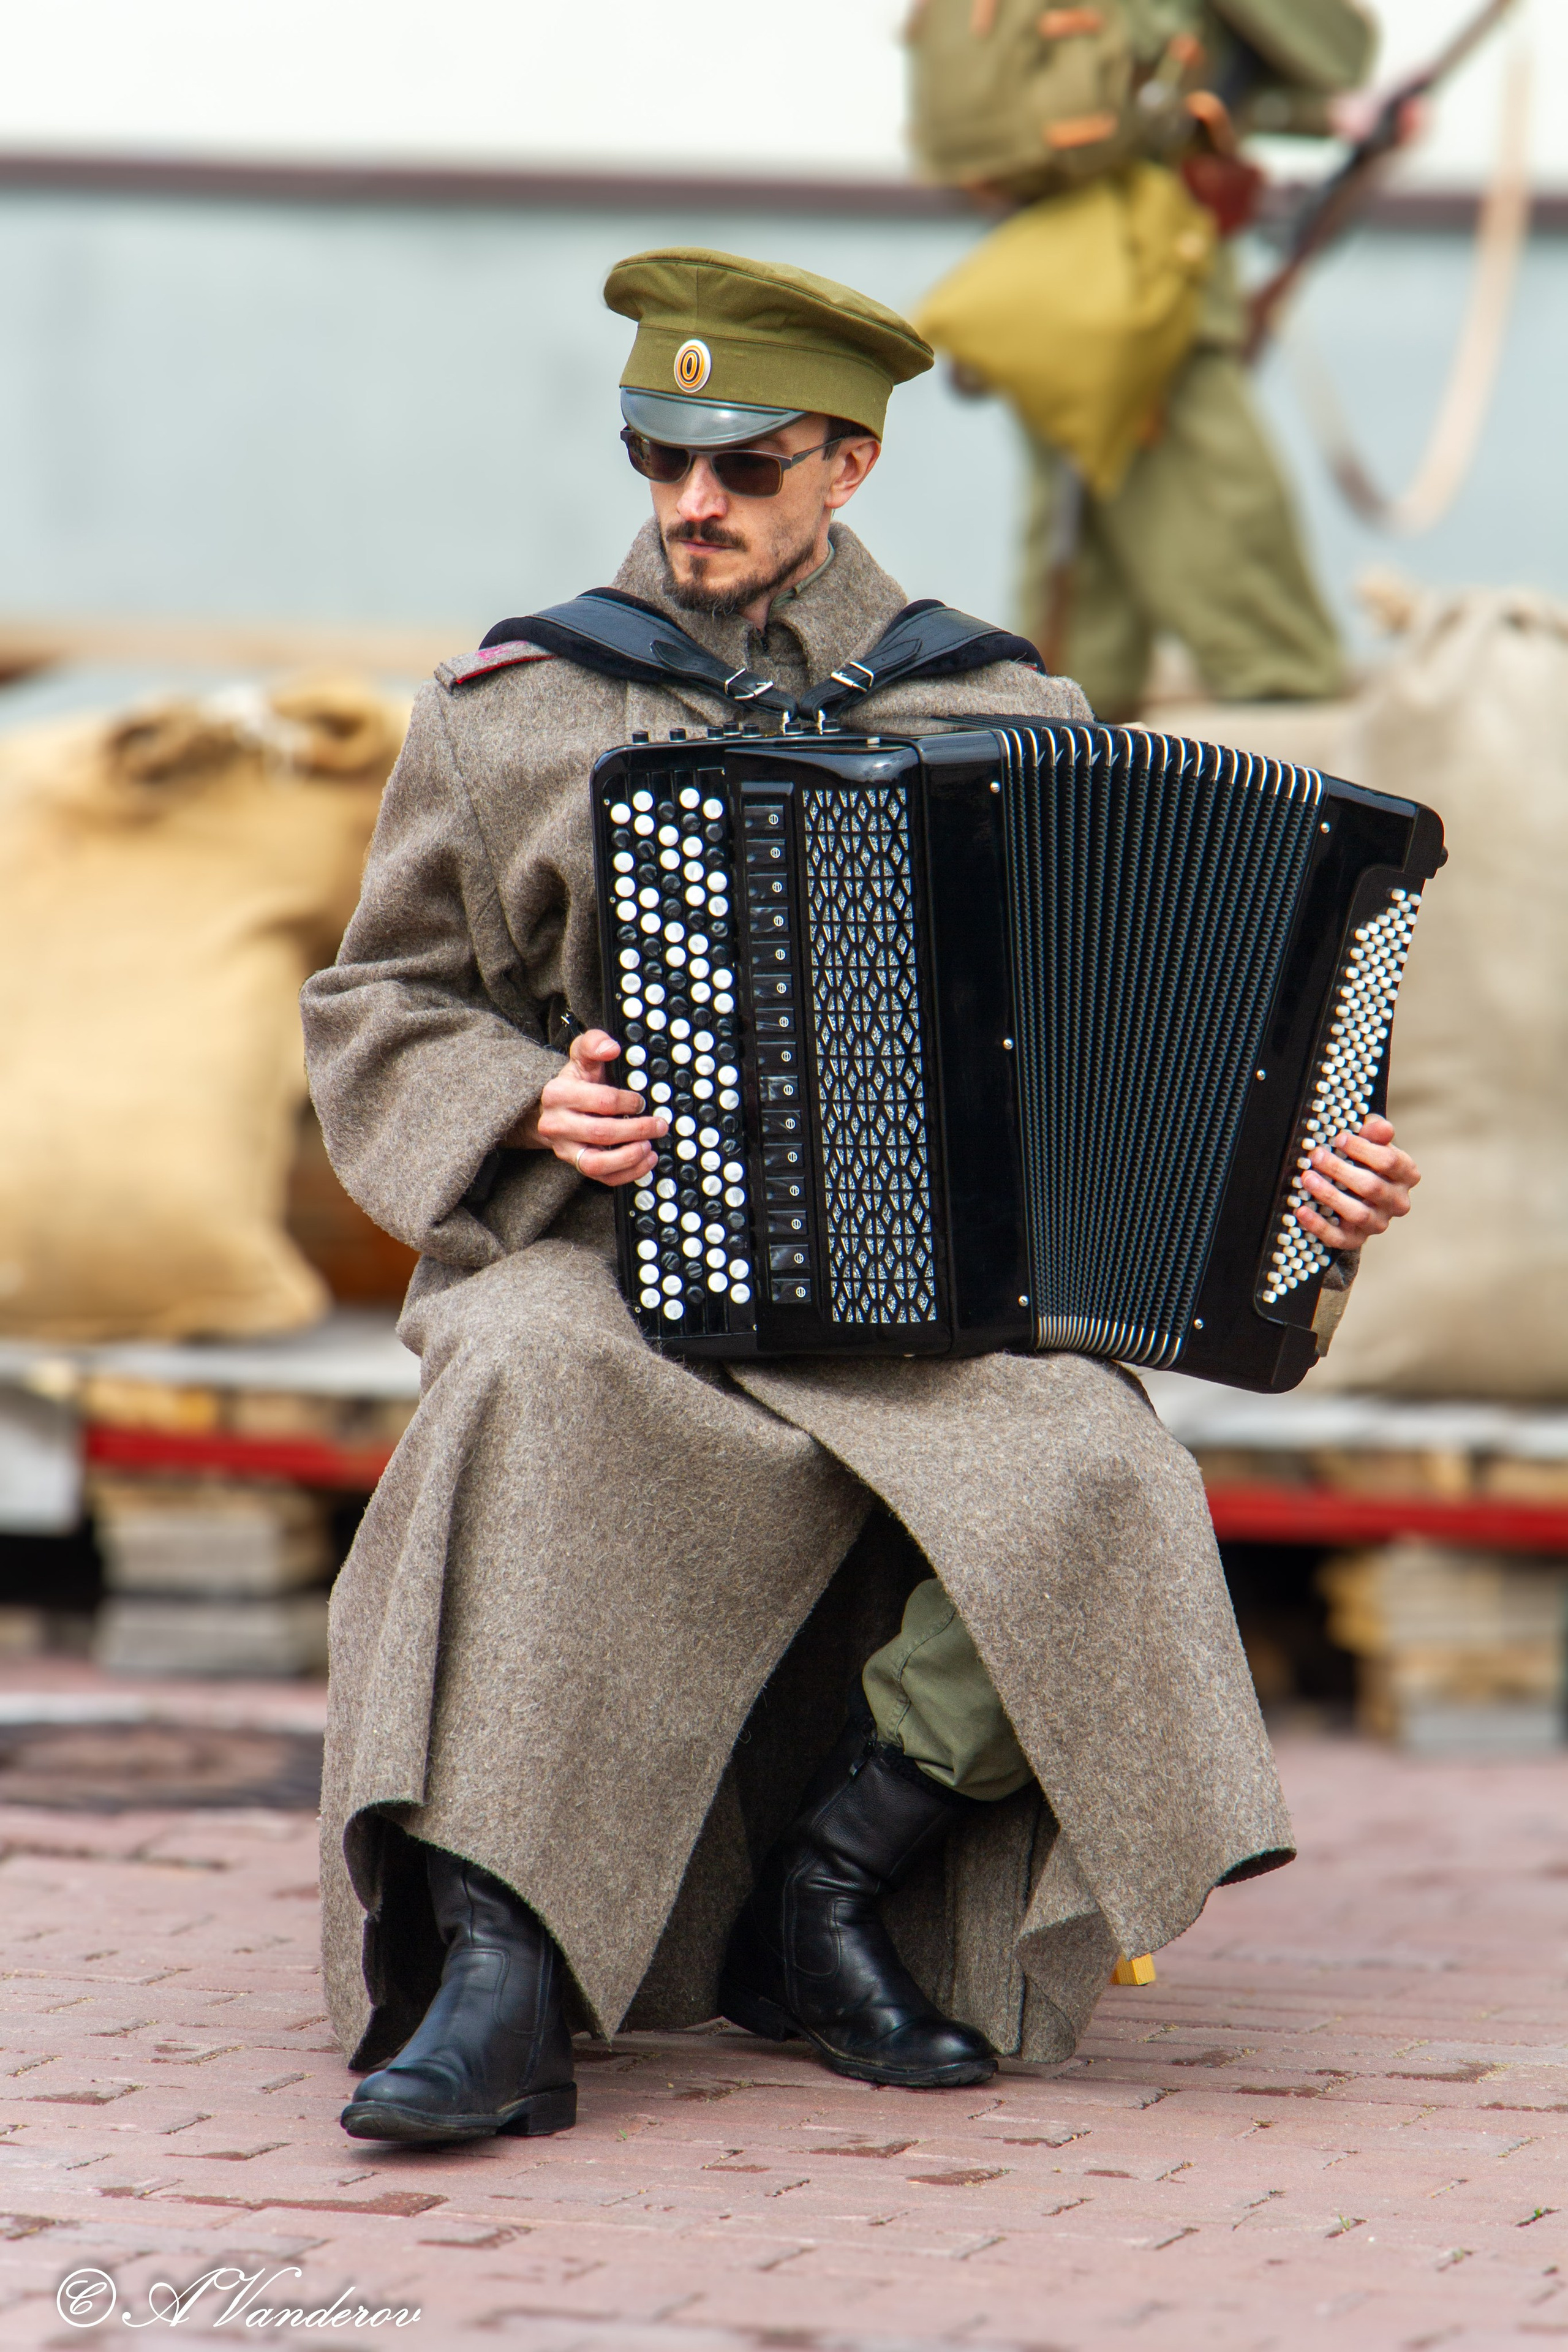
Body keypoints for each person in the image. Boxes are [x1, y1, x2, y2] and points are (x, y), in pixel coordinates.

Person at [301, 246, 1419, 2147]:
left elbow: (1144, 1039)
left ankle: (833, 1884)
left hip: (926, 1304)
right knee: (526, 1387)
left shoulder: (998, 706)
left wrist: (1291, 1184)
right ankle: (495, 1955)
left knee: (1090, 1463)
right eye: (660, 455)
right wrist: (525, 1101)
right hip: (613, 1262)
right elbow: (383, 1001)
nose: (689, 503)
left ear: (849, 469)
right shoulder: (519, 704)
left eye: (740, 466)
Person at [907, 0, 1382, 718]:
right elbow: (1334, 47)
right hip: (1143, 290)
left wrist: (1328, 116)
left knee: (1086, 609)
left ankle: (1058, 791)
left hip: (1053, 286)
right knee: (1255, 601)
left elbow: (1189, 80)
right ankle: (1309, 807)